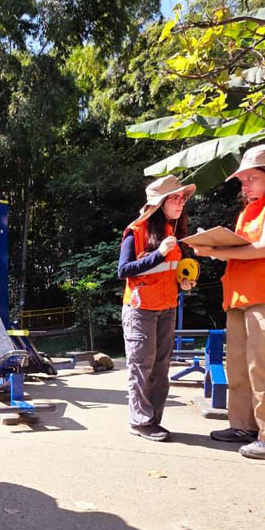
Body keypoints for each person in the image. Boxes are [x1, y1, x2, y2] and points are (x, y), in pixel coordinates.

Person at [188, 144, 265, 460]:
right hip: (243, 297)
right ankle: (244, 426)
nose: (244, 186)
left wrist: (215, 251)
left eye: (250, 179)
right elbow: (247, 248)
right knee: (240, 366)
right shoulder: (253, 207)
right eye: (242, 180)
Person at [118, 174, 196, 442]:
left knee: (161, 368)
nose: (181, 202)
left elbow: (171, 272)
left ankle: (153, 421)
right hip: (140, 311)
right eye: (175, 197)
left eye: (183, 197)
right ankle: (140, 421)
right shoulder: (136, 231)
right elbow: (124, 270)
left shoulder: (176, 232)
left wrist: (184, 281)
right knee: (141, 367)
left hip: (168, 307)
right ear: (160, 202)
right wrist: (158, 253)